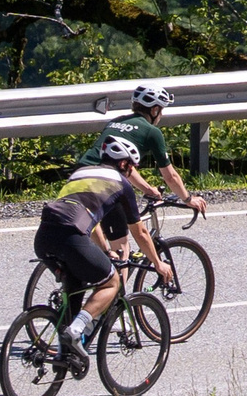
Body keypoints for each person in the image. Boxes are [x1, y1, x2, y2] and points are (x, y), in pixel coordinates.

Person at [34, 136, 168, 372]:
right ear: (125, 165)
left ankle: (65, 357)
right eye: (132, 167)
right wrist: (158, 263)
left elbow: (93, 220)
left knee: (74, 286)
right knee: (111, 283)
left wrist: (106, 251)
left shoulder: (81, 173)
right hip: (70, 237)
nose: (132, 172)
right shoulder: (121, 183)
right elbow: (141, 233)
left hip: (43, 236)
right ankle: (76, 331)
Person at [93, 83, 209, 219]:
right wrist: (188, 199)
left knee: (94, 230)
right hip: (105, 180)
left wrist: (148, 189)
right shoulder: (151, 132)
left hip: (81, 172)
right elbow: (170, 177)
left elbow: (122, 165)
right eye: (161, 110)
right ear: (154, 110)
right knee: (128, 232)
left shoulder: (114, 122)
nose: (161, 115)